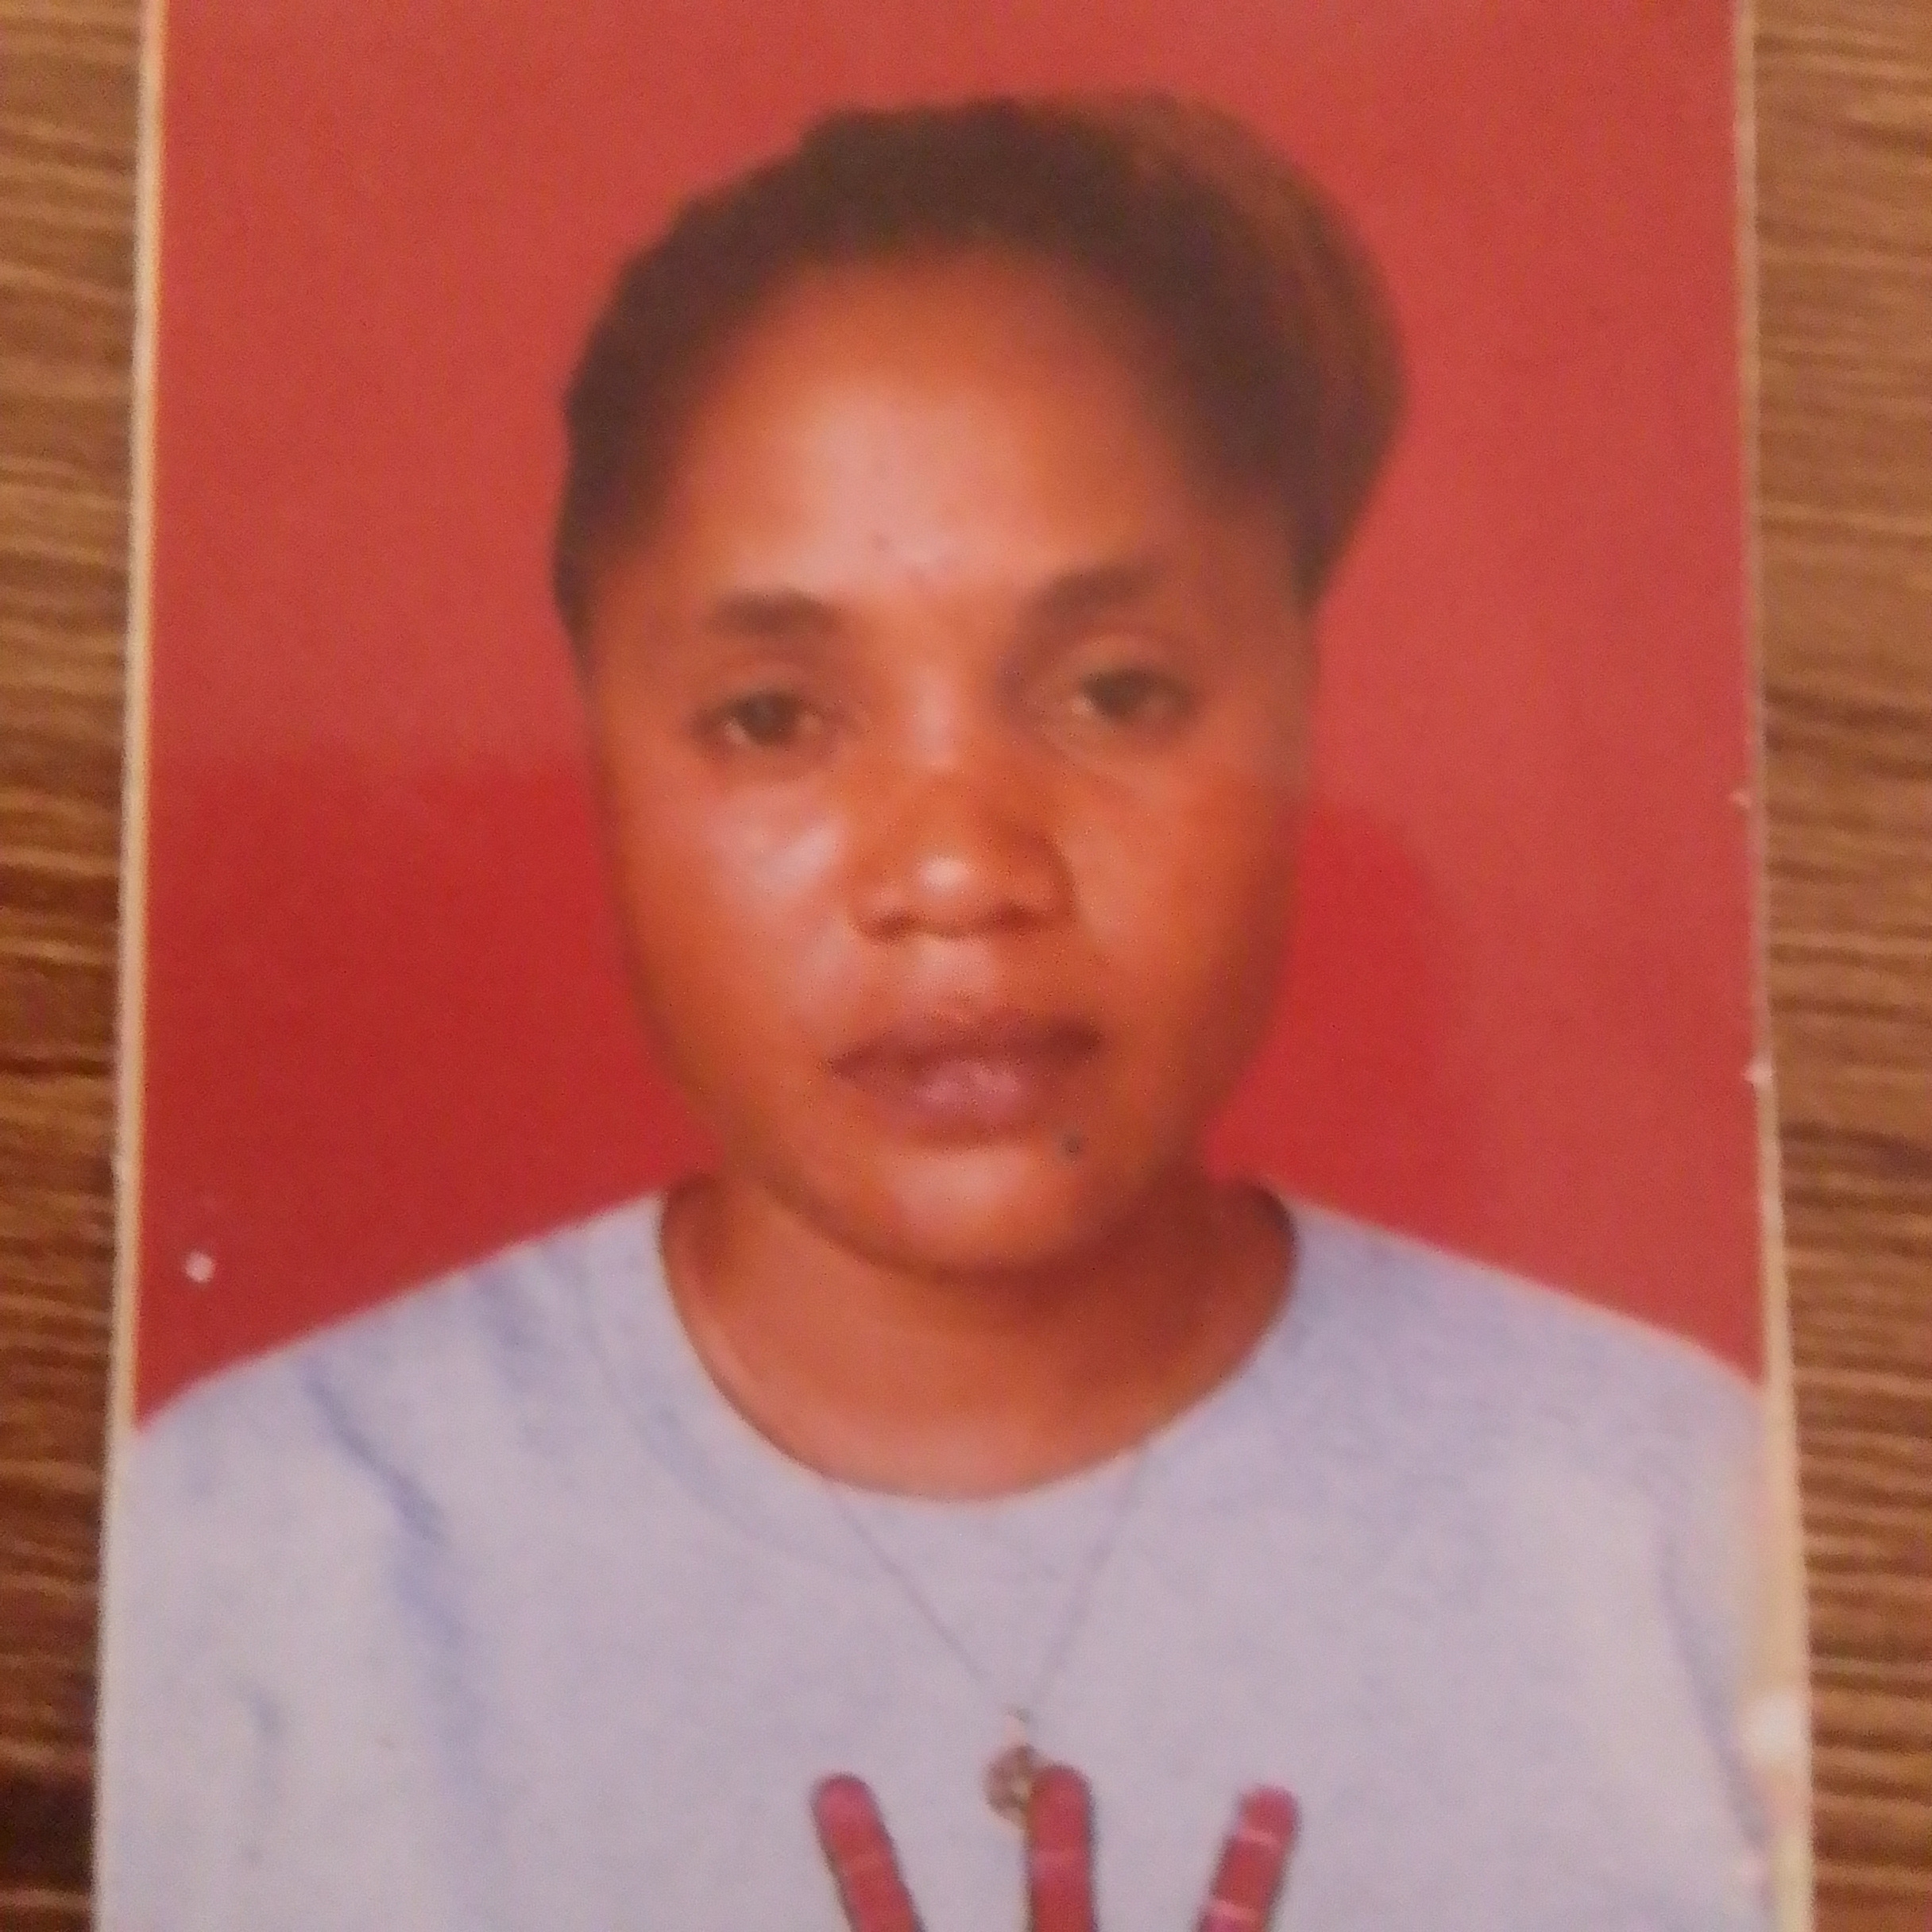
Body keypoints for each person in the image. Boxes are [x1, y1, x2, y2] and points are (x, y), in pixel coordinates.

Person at [98, 96, 1771, 1932]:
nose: (962, 867)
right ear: (600, 755)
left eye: (1114, 692)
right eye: (771, 718)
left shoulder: (1682, 1530)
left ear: (1303, 700)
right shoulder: (245, 1566)